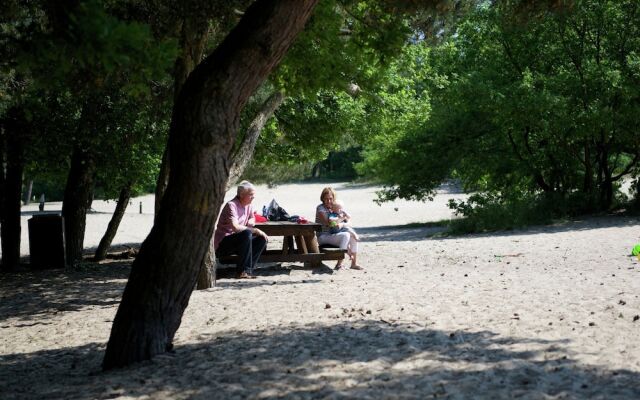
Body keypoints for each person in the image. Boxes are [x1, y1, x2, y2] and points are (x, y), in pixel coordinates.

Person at [214, 181, 268, 279]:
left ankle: (246, 271)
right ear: (241, 195)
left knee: (262, 239)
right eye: (251, 195)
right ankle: (241, 272)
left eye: (253, 195)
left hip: (240, 242)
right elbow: (235, 227)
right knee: (247, 233)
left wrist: (251, 220)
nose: (253, 197)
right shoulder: (231, 205)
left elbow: (252, 217)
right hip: (223, 243)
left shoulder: (249, 205)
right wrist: (255, 230)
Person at [315, 187, 362, 270]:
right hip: (323, 236)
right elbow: (330, 224)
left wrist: (343, 224)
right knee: (346, 235)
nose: (328, 201)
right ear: (322, 198)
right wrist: (342, 219)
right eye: (326, 199)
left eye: (330, 199)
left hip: (334, 234)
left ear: (333, 199)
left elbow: (349, 222)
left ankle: (354, 263)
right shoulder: (320, 208)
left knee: (353, 237)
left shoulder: (336, 207)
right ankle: (339, 264)